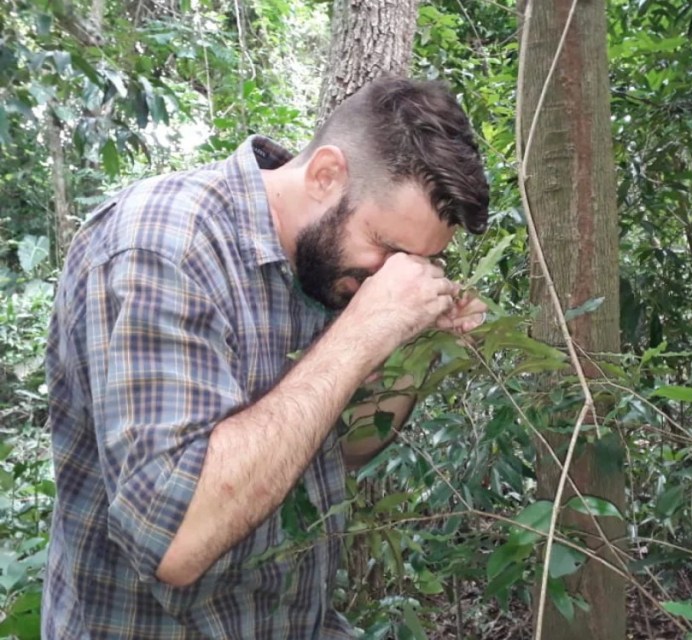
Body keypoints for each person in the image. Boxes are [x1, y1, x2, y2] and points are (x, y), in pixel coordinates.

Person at [41, 76, 490, 639]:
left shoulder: (327, 266)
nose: (393, 276)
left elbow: (346, 444)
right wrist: (362, 332)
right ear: (327, 175)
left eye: (418, 263)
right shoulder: (161, 246)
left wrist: (420, 348)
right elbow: (173, 539)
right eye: (388, 248)